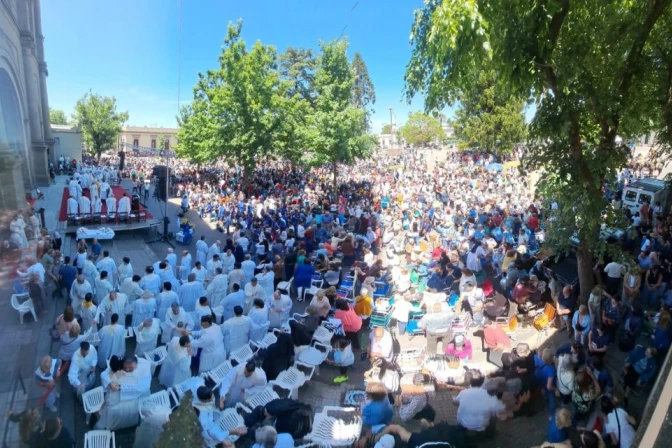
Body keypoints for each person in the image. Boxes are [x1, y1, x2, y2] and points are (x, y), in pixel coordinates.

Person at [96, 355, 152, 430]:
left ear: (136, 364)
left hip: (138, 396)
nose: (127, 370)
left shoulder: (144, 368)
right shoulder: (120, 363)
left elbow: (142, 387)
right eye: (125, 368)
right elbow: (103, 374)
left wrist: (121, 387)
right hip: (120, 394)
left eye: (131, 368)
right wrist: (110, 383)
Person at [453, 370, 505, 438]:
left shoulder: (464, 392)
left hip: (463, 426)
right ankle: (491, 435)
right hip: (482, 428)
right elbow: (500, 409)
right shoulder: (489, 394)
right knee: (493, 412)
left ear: (469, 383)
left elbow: (455, 403)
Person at [535, 348, 558, 418]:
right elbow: (549, 386)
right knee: (552, 399)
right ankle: (552, 414)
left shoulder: (538, 360)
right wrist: (555, 389)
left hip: (541, 383)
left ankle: (546, 398)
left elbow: (537, 354)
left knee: (546, 394)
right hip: (548, 386)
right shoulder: (551, 369)